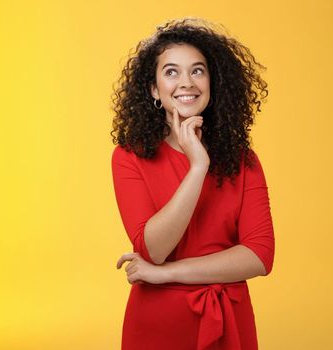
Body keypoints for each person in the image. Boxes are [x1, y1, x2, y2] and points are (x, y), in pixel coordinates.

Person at [110, 17, 275, 350]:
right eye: (171, 72)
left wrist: (166, 274)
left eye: (197, 70)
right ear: (154, 90)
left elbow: (260, 256)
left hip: (230, 320)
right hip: (158, 324)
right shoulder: (129, 157)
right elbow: (154, 249)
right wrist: (197, 166)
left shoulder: (244, 160)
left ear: (213, 83)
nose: (187, 82)